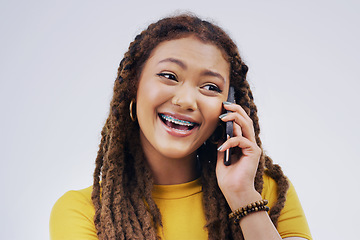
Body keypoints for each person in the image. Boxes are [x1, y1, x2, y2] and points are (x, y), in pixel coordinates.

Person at [50, 14, 312, 240]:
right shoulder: (84, 212)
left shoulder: (265, 191)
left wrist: (242, 196)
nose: (186, 101)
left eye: (210, 87)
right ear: (134, 88)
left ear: (229, 106)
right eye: (169, 76)